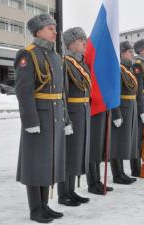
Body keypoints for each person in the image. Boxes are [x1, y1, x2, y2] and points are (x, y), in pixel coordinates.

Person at [15, 13, 72, 223]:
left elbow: (61, 93)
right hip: (38, 117)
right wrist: (30, 121)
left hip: (55, 117)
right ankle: (35, 209)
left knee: (48, 162)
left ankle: (45, 205)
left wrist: (66, 119)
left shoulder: (55, 56)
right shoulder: (27, 54)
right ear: (38, 31)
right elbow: (23, 91)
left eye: (54, 28)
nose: (55, 32)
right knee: (35, 163)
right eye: (50, 28)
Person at [57, 27, 91, 206]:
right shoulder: (65, 63)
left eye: (84, 40)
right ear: (71, 44)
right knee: (68, 153)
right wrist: (66, 119)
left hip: (83, 112)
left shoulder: (82, 64)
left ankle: (71, 190)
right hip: (72, 113)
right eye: (80, 40)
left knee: (77, 153)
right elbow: (63, 94)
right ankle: (63, 194)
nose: (84, 43)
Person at [110, 41, 138, 184]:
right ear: (121, 53)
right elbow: (114, 92)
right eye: (129, 52)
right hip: (122, 108)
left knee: (126, 142)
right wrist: (116, 113)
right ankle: (117, 174)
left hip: (130, 107)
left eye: (132, 51)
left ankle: (122, 172)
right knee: (118, 142)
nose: (132, 54)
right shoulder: (118, 69)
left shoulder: (128, 69)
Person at [130, 39, 144, 177]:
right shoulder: (138, 65)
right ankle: (135, 168)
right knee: (137, 139)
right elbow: (139, 90)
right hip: (141, 105)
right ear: (141, 49)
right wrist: (143, 110)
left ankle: (142, 164)